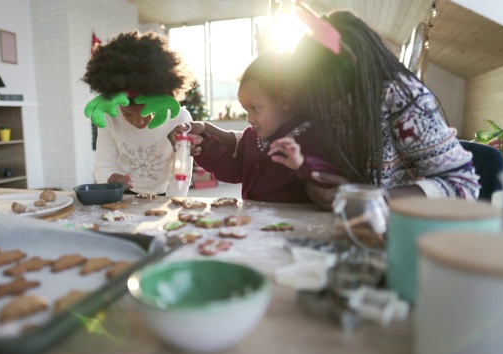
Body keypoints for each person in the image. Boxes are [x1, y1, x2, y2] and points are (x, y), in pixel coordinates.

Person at [268, 10, 479, 209]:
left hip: (401, 229)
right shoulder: (332, 101)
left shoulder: (401, 98)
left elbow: (463, 185)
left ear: (346, 77)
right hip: (357, 225)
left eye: (323, 95)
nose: (320, 106)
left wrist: (365, 197)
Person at [170, 51, 336, 203]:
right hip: (255, 223)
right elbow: (234, 171)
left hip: (289, 227)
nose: (249, 119)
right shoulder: (251, 137)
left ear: (284, 100)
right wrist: (203, 146)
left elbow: (327, 178)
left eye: (255, 108)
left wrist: (302, 163)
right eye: (246, 110)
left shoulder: (311, 137)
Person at [82, 31, 194, 196]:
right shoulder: (109, 116)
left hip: (164, 194)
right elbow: (103, 165)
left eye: (147, 114)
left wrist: (172, 203)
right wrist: (110, 178)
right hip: (124, 194)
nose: (139, 121)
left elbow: (181, 173)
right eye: (128, 115)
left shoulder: (180, 118)